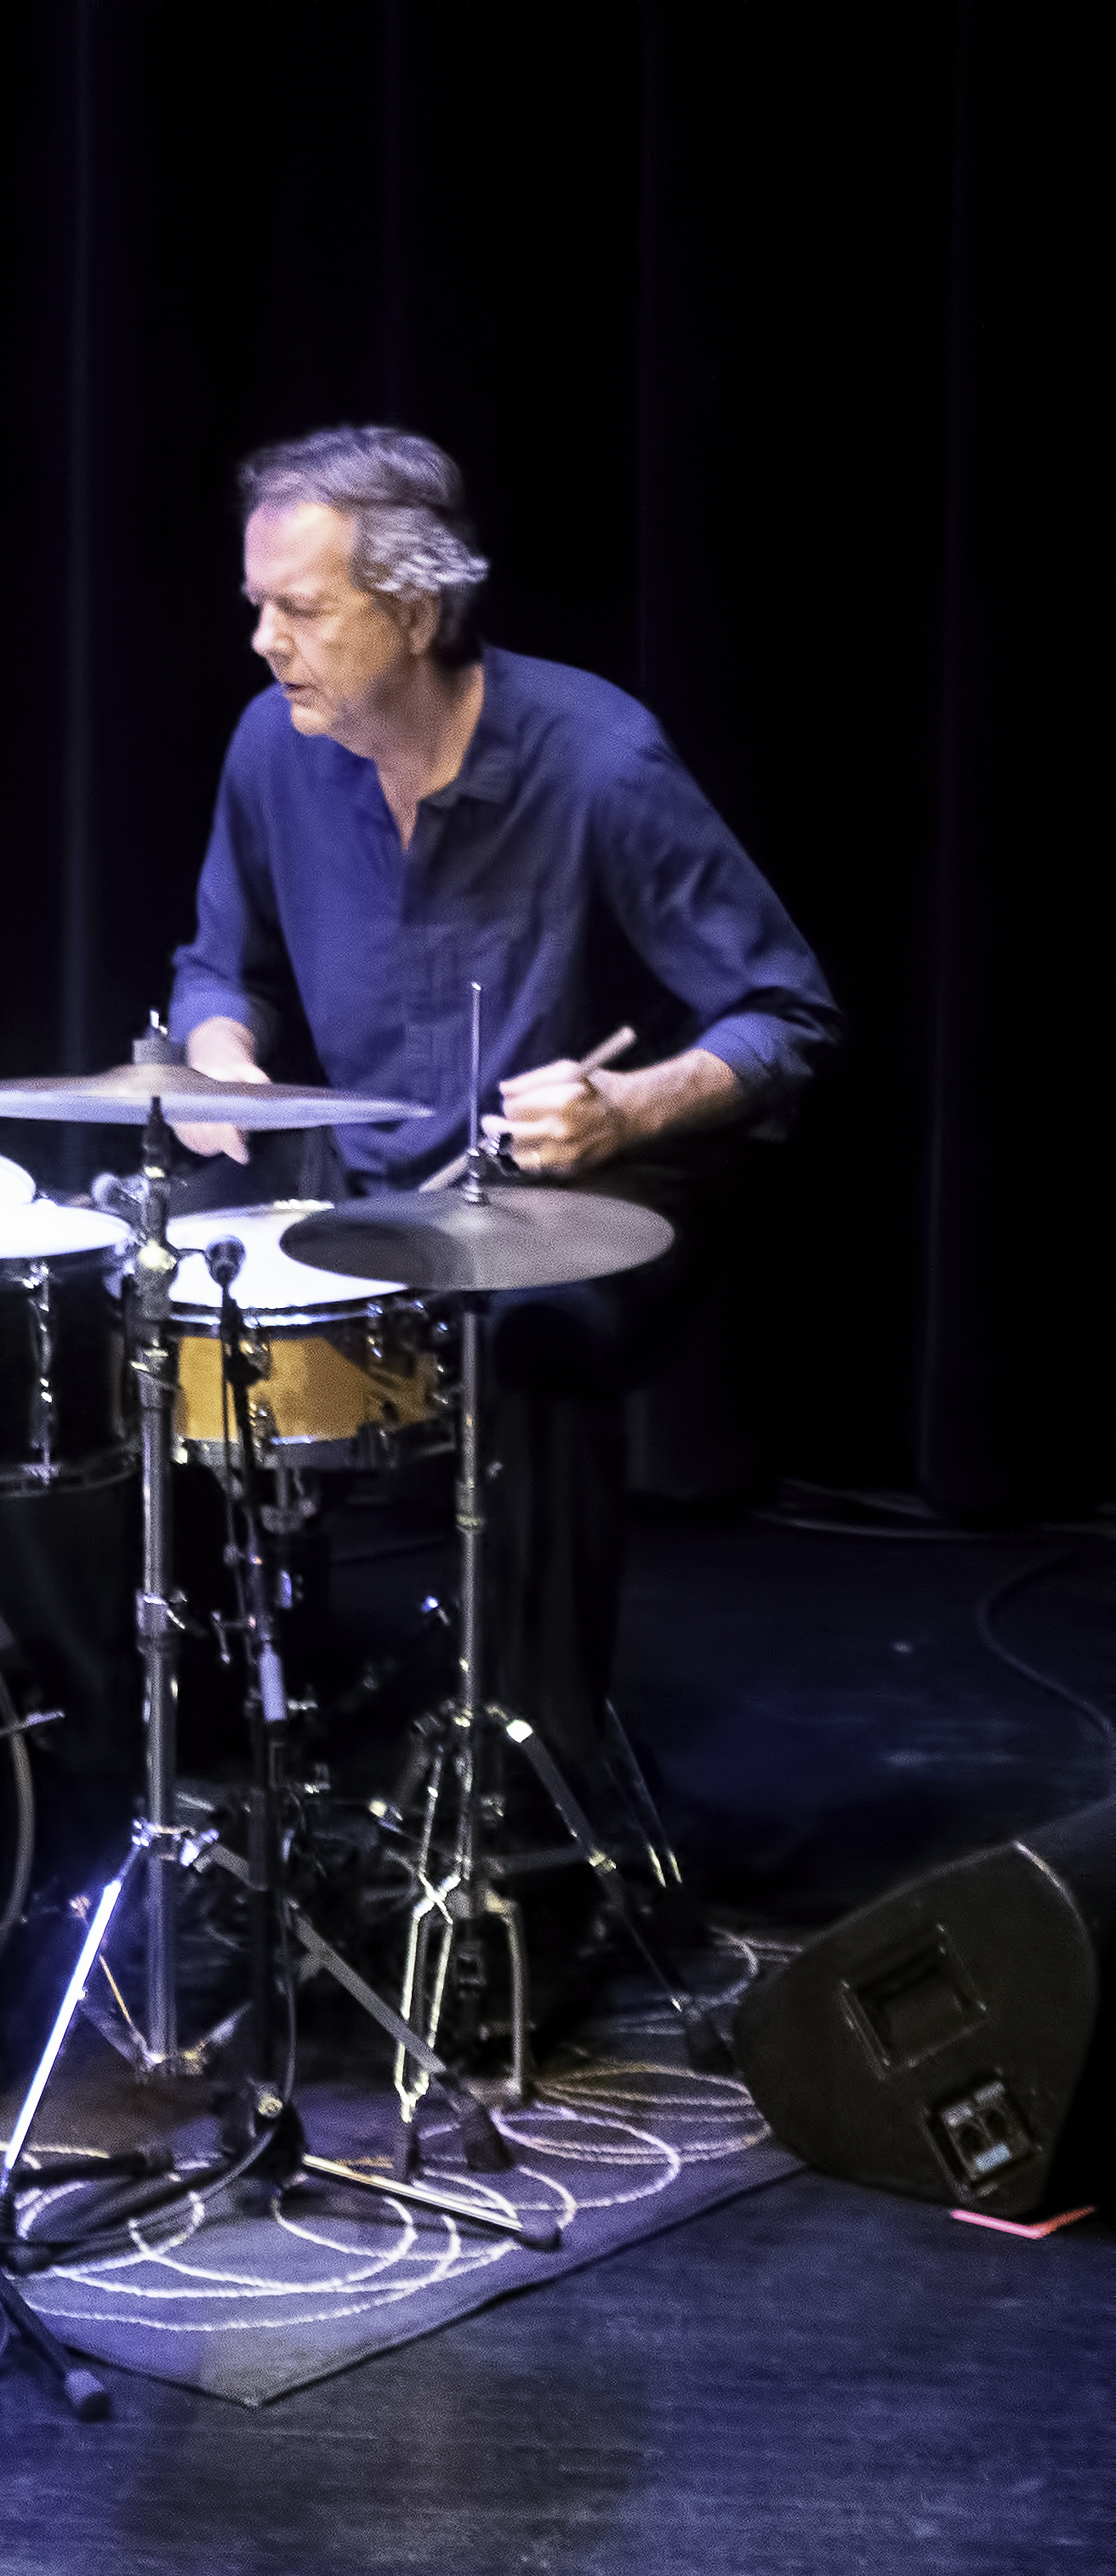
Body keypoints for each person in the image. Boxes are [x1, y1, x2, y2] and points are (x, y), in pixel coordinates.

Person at [166, 427, 840, 1778]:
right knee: (132, 1291)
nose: (261, 641)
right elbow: (213, 970)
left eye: (298, 609)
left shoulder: (601, 761)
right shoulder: (269, 746)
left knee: (519, 1331)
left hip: (556, 1192)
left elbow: (789, 1020)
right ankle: (188, 1739)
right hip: (347, 1186)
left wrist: (629, 1105)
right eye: (256, 606)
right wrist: (217, 1052)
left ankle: (531, 1792)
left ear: (412, 612)